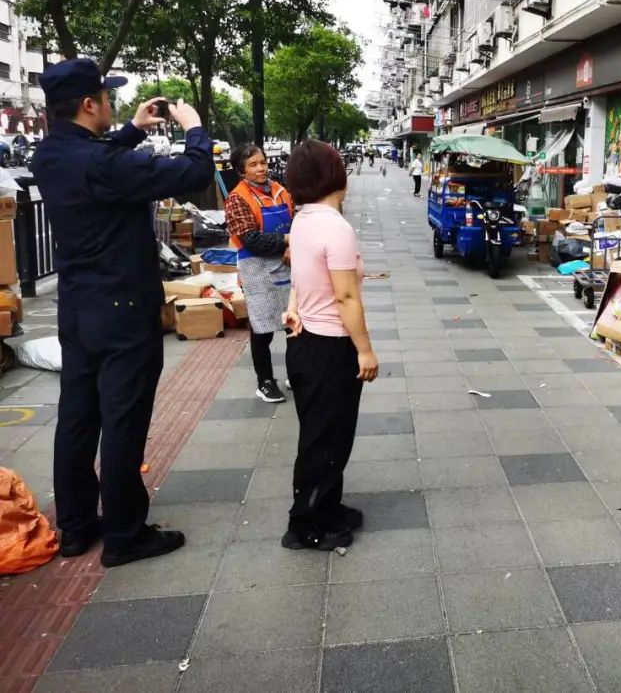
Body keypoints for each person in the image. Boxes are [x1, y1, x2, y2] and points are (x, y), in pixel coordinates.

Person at [31, 59, 214, 566]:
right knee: (123, 421)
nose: (111, 105)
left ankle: (75, 527)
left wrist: (131, 130)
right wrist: (194, 128)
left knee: (77, 418)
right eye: (107, 98)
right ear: (90, 104)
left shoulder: (51, 154)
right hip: (123, 310)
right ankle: (125, 535)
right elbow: (195, 172)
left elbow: (98, 160)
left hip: (78, 309)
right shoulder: (100, 163)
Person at [281, 140, 379, 551]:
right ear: (334, 175)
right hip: (328, 348)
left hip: (306, 344)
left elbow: (300, 274)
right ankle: (305, 526)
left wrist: (293, 307)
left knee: (324, 435)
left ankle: (328, 507)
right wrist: (365, 349)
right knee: (326, 440)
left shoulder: (303, 219)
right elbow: (346, 298)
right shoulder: (335, 227)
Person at [225, 144, 294, 403]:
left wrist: (292, 245)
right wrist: (288, 241)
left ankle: (295, 374)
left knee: (294, 324)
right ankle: (265, 381)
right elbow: (252, 239)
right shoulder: (237, 198)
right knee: (262, 329)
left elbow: (297, 218)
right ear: (241, 171)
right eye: (253, 164)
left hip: (288, 265)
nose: (261, 168)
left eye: (262, 162)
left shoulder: (281, 191)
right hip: (257, 269)